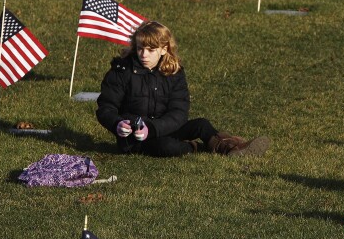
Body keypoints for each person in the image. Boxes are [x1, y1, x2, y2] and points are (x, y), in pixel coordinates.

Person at [96, 21, 270, 157]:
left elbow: (179, 112)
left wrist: (153, 127)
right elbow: (106, 107)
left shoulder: (174, 71)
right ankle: (196, 147)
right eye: (141, 48)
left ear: (164, 50)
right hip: (135, 138)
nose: (144, 55)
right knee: (166, 147)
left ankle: (231, 147)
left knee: (201, 124)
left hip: (162, 126)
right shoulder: (122, 70)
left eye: (151, 50)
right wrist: (117, 124)